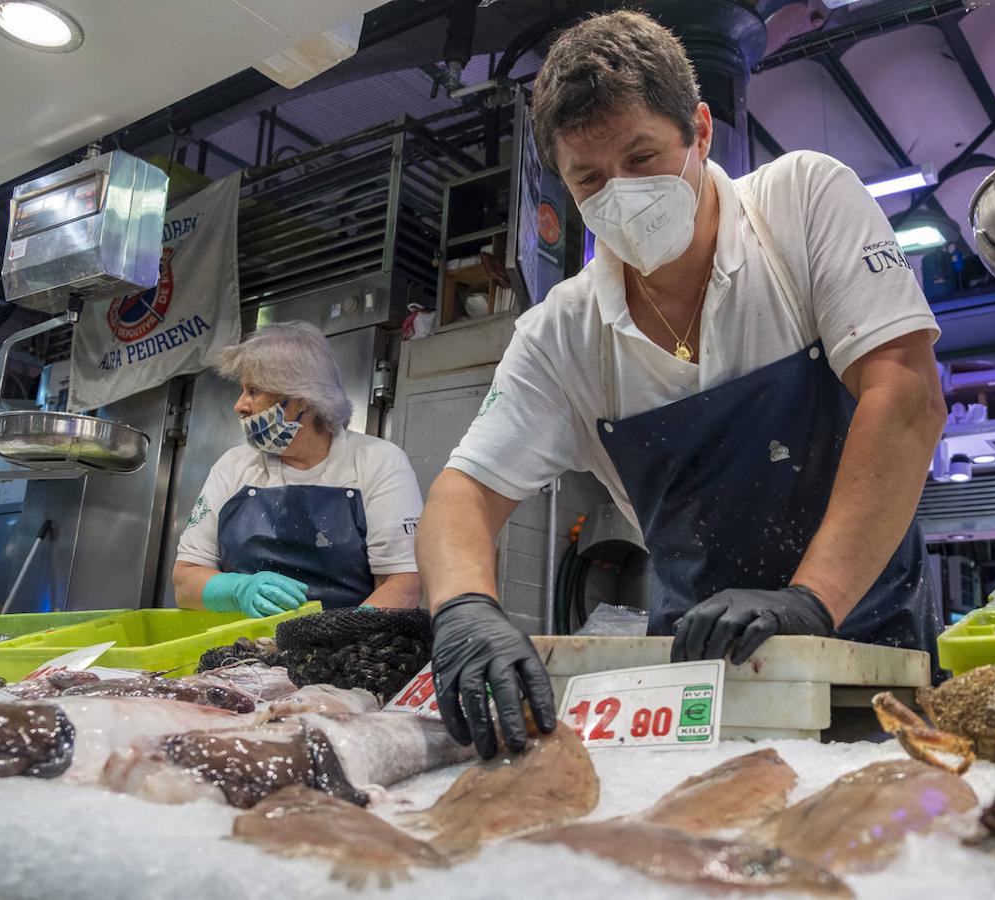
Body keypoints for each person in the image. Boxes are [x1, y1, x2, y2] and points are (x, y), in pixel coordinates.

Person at [416, 10, 947, 759]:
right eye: (590, 178)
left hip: (868, 653)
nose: (621, 193)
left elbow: (906, 397)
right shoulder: (562, 332)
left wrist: (811, 600)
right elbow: (462, 493)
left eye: (641, 157)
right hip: (696, 677)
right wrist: (465, 609)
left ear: (699, 130)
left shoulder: (800, 203)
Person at [173, 322, 423, 615]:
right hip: (239, 653)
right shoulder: (233, 466)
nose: (239, 406)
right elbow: (185, 580)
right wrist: (238, 591)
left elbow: (403, 582)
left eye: (253, 391)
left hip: (346, 650)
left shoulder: (377, 462)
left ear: (301, 399)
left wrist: (342, 639)